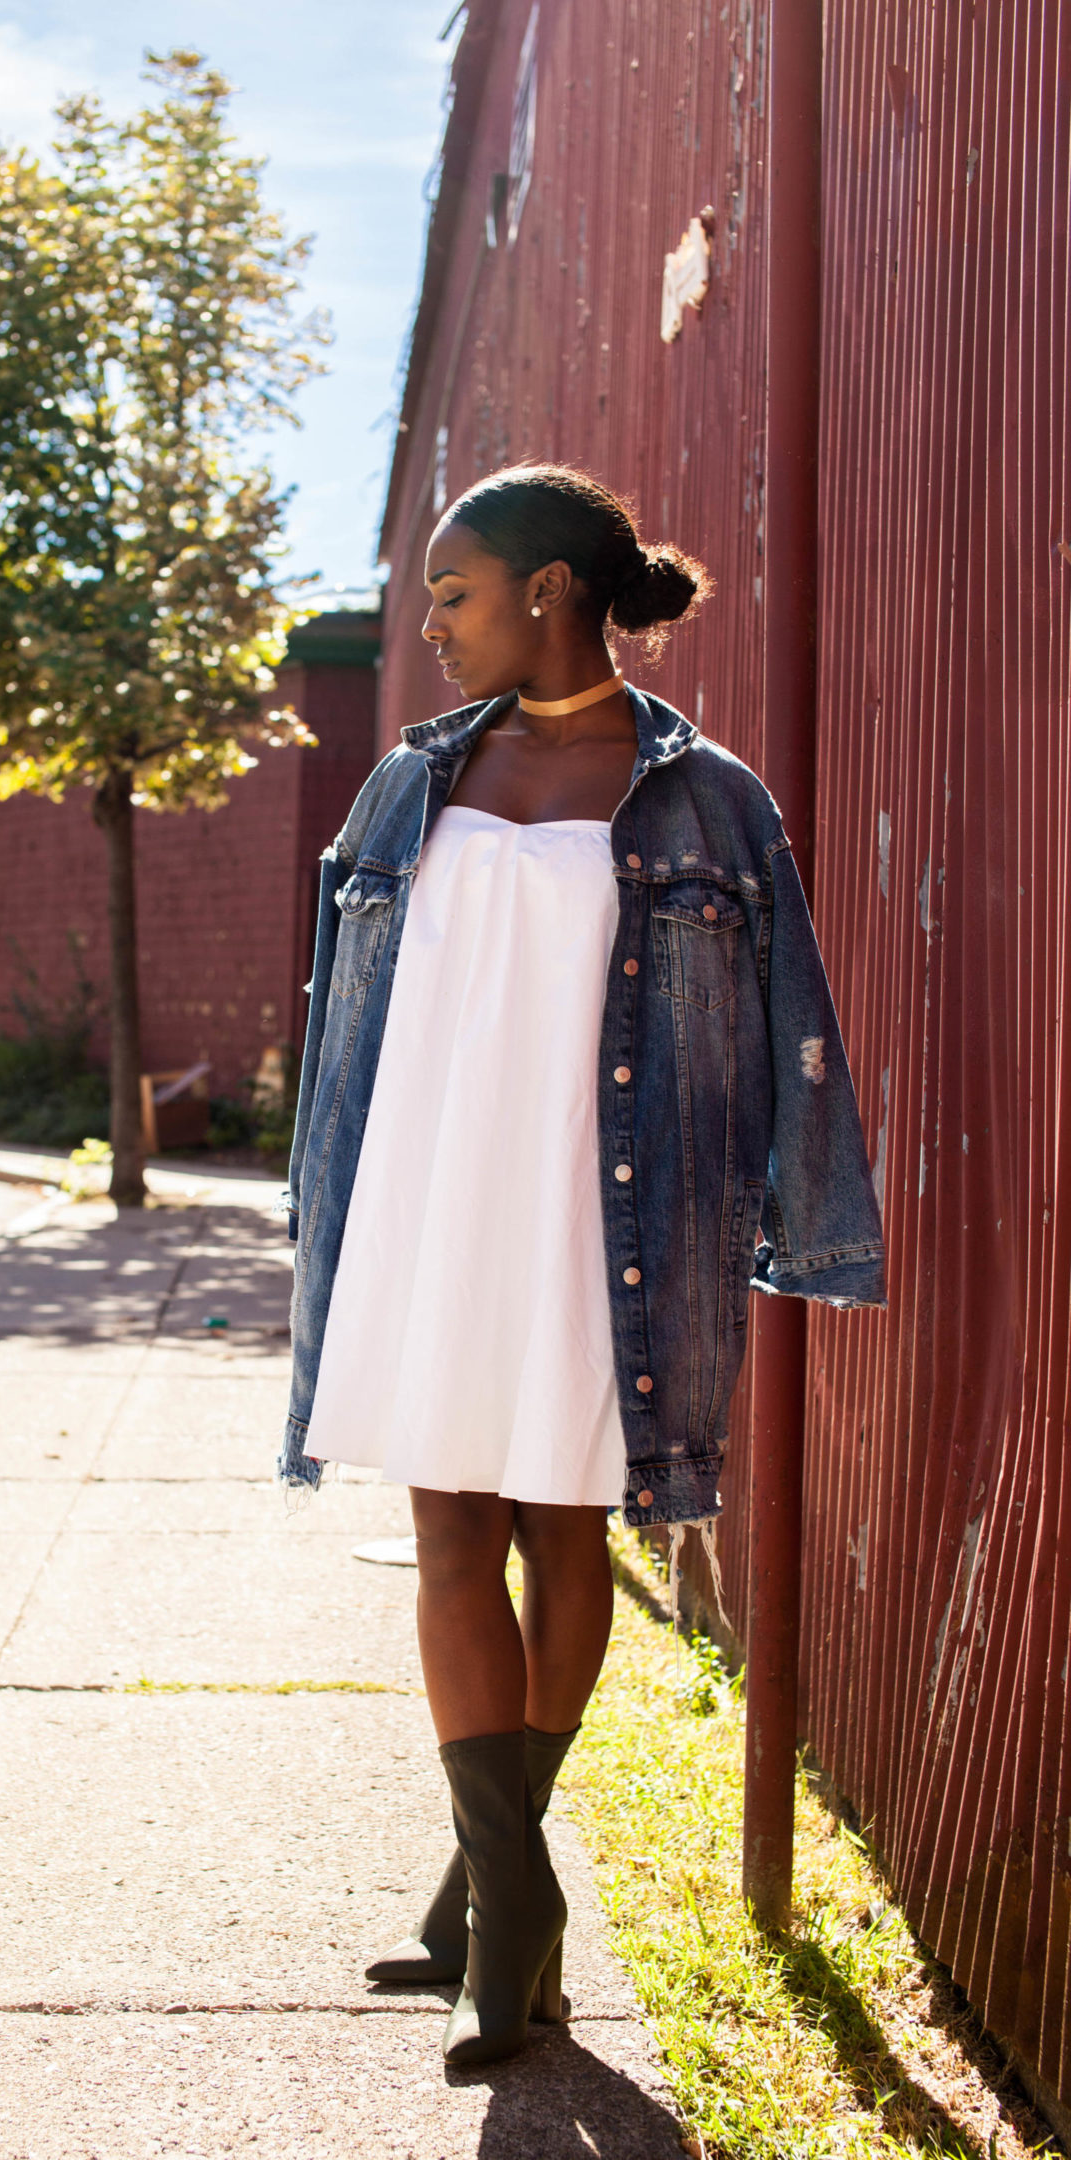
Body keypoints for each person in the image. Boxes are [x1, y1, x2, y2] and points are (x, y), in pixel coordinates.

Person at [279, 463, 885, 2066]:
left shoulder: (707, 798)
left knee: (563, 1527)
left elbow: (787, 1029)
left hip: (604, 1207)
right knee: (448, 1530)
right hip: (431, 1188)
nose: (432, 624)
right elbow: (349, 1013)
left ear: (549, 590)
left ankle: (494, 1893)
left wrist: (788, 1221)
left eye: (455, 593)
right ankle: (510, 1896)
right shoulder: (407, 785)